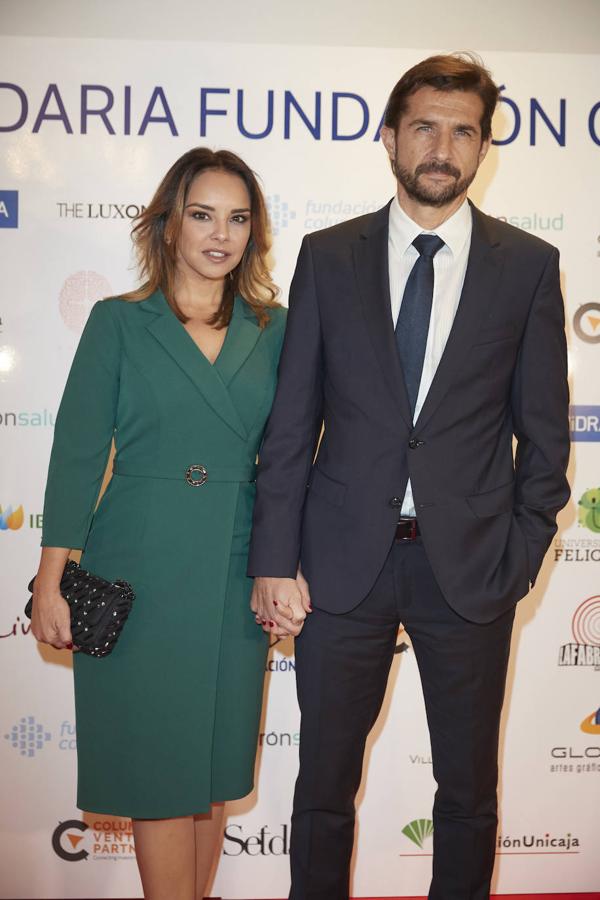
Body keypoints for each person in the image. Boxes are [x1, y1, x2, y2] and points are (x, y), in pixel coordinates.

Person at [248, 53, 570, 900]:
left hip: (468, 571)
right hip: (340, 568)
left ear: (484, 148)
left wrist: (518, 558)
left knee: (468, 794)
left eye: (465, 131)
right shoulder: (327, 255)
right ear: (389, 137)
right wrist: (274, 559)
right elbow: (291, 425)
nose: (443, 146)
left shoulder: (529, 266)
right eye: (425, 125)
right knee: (322, 788)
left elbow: (545, 441)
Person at [30, 147, 287, 900]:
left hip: (237, 564)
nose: (221, 234)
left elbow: (295, 455)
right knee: (159, 772)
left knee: (207, 774)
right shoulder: (119, 324)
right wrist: (52, 584)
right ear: (170, 224)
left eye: (238, 218)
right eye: (202, 214)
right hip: (138, 562)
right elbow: (77, 455)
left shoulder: (276, 328)